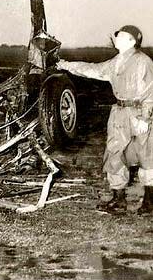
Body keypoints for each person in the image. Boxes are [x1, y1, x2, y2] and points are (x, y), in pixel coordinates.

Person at [57, 25, 153, 215]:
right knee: (114, 154)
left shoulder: (143, 62)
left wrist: (145, 118)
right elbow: (92, 70)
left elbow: (150, 91)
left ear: (132, 41)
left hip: (138, 114)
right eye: (117, 36)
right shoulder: (116, 62)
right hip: (119, 113)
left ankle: (150, 202)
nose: (116, 38)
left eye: (122, 36)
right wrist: (65, 65)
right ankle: (118, 200)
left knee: (146, 156)